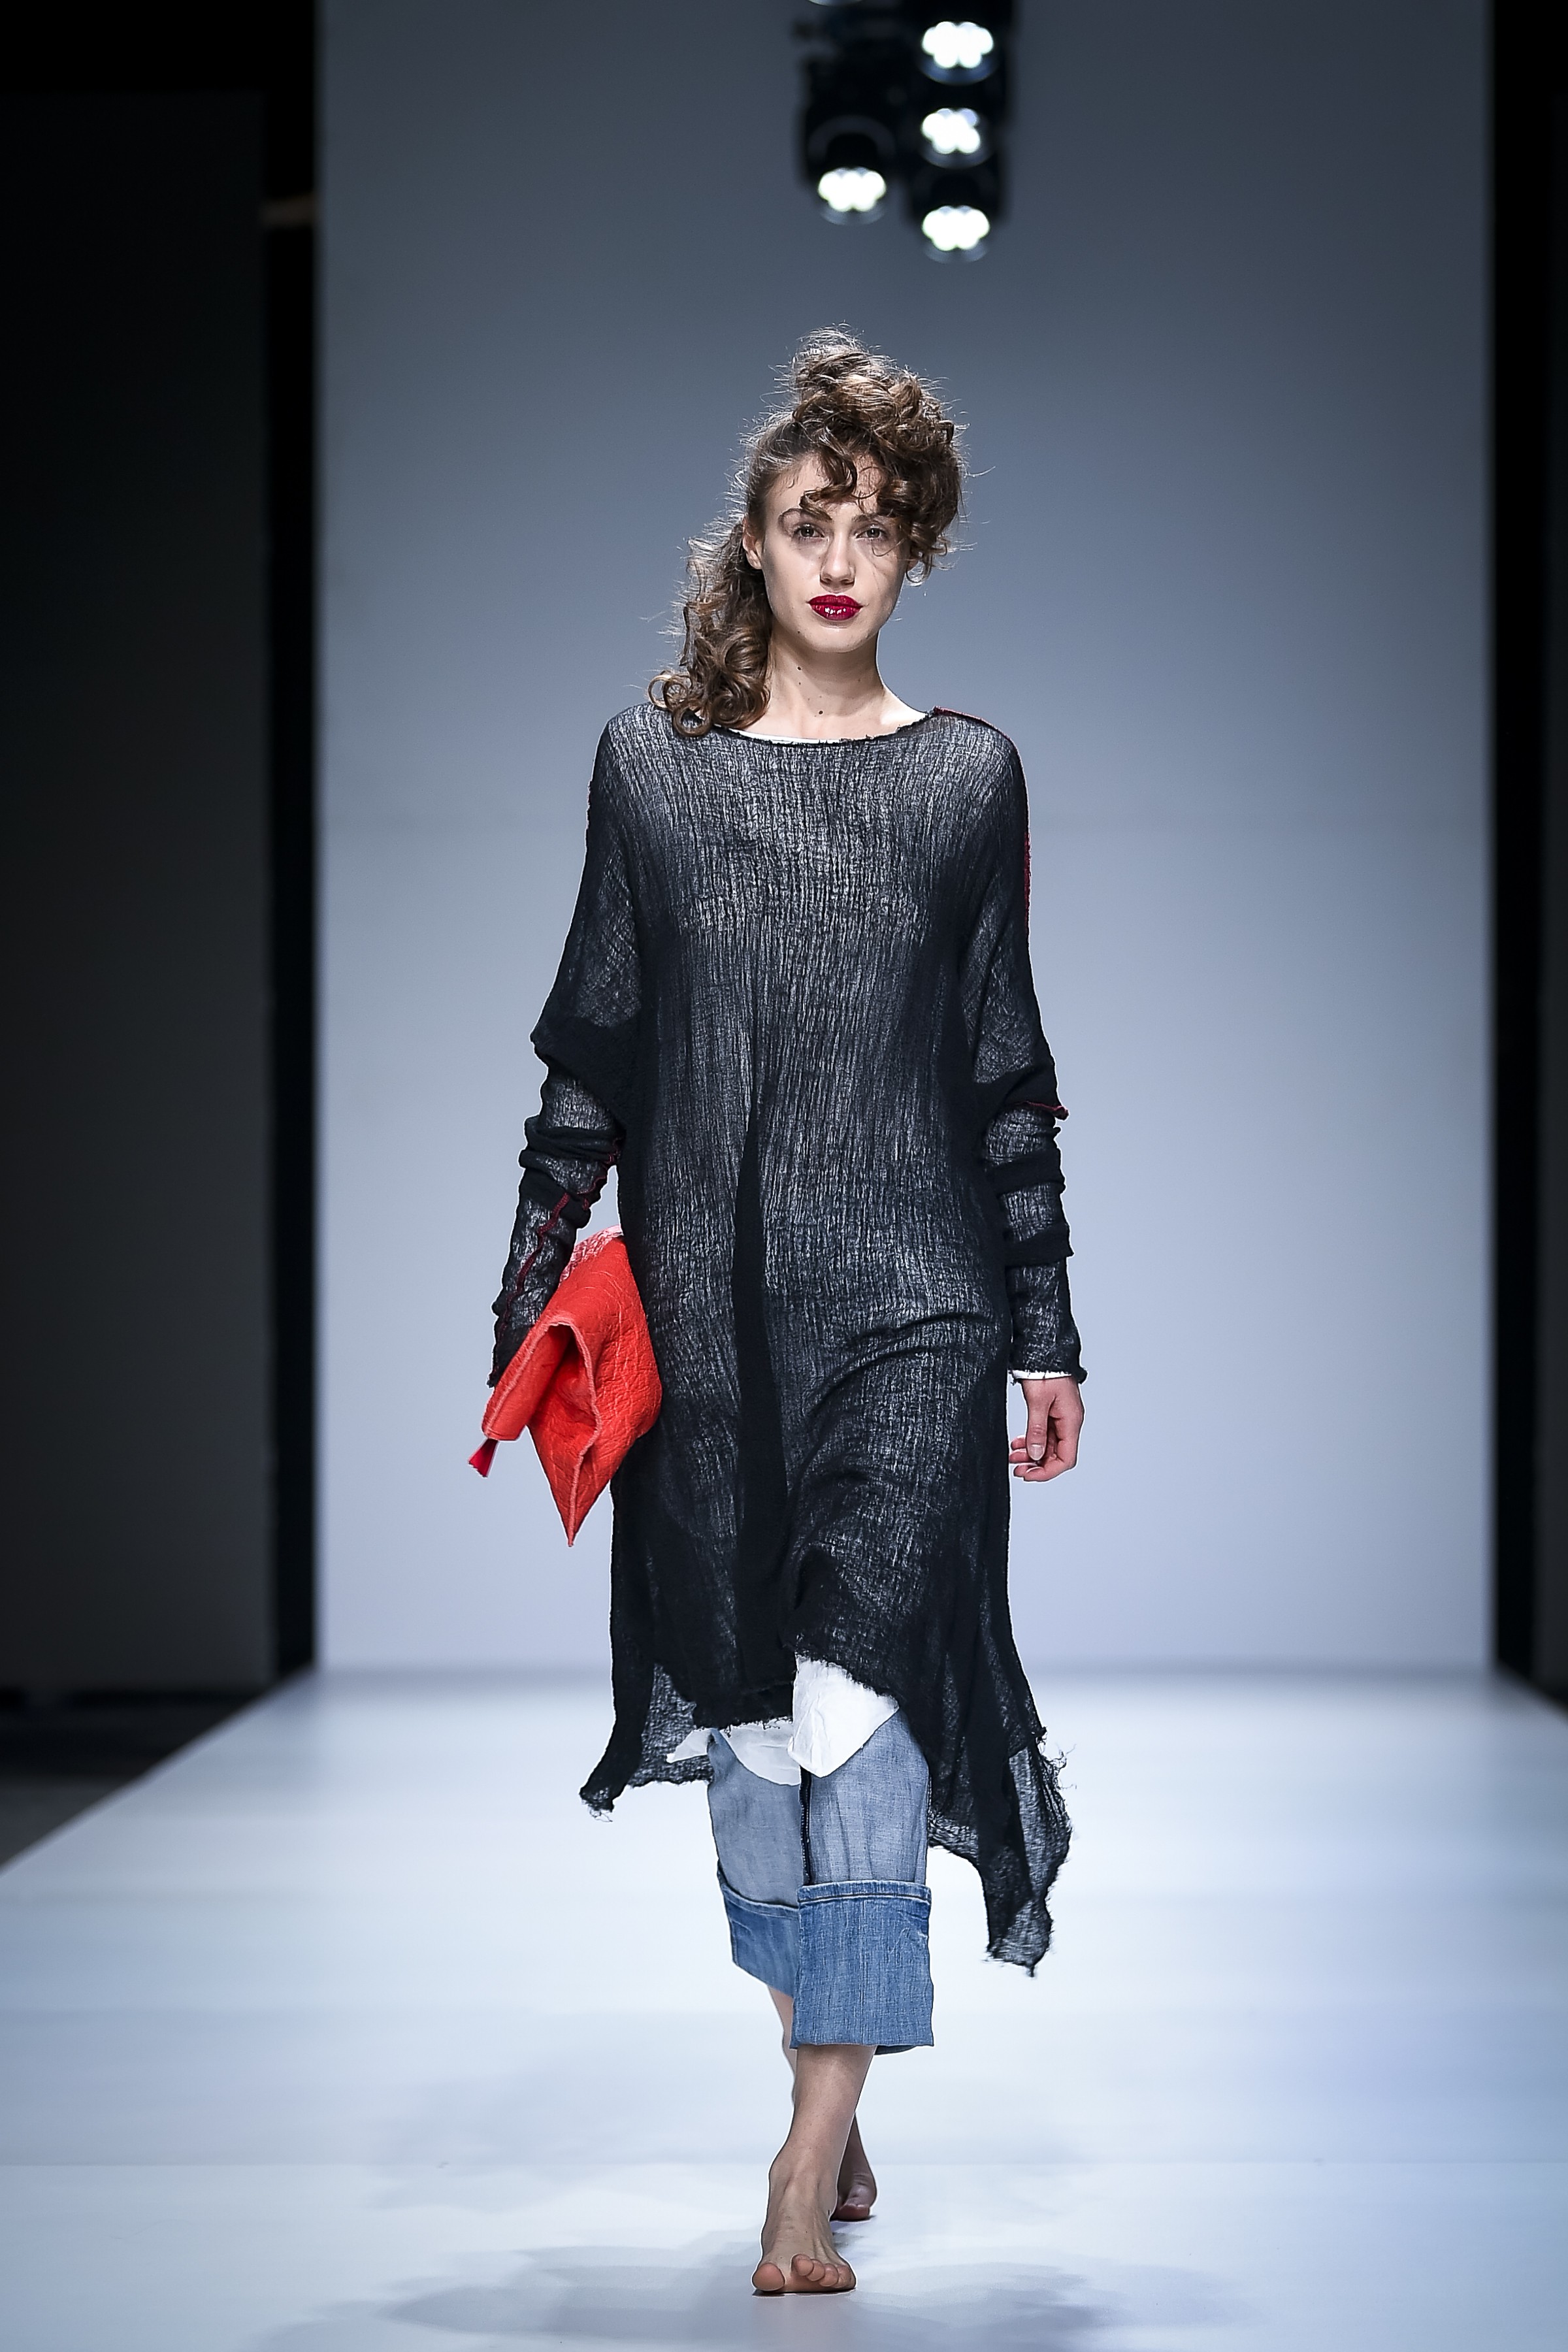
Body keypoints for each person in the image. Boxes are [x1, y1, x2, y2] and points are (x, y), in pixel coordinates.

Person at [487, 332, 1085, 2295]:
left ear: (915, 555)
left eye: (878, 528)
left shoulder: (967, 779)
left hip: (920, 1307)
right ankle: (837, 2059)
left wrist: (1044, 1328)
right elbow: (593, 1055)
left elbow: (1003, 1070)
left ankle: (801, 2159)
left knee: (857, 1706)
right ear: (749, 542)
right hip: (711, 1321)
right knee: (755, 1734)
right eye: (810, 521)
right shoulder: (650, 771)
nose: (842, 558)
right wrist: (526, 1294)